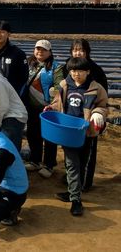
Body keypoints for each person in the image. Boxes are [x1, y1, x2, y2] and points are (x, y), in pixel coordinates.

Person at [47, 57, 108, 216]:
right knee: (72, 164)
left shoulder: (96, 88)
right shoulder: (64, 85)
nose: (76, 74)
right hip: (68, 132)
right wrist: (51, 107)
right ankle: (76, 200)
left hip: (86, 132)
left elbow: (103, 106)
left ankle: (72, 191)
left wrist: (98, 113)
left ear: (87, 71)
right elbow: (58, 102)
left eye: (80, 71)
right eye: (73, 71)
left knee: (81, 163)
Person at [63, 38, 108, 191]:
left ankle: (84, 183)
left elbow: (103, 99)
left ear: (87, 52)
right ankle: (73, 181)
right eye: (75, 50)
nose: (78, 53)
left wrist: (97, 113)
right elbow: (62, 94)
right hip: (70, 120)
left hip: (88, 121)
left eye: (81, 50)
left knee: (87, 153)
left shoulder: (96, 71)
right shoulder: (67, 67)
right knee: (70, 152)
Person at [23, 39, 64, 178]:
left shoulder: (56, 67)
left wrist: (53, 103)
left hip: (48, 109)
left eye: (43, 50)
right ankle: (35, 160)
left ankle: (49, 164)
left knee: (49, 137)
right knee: (33, 134)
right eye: (38, 49)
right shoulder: (28, 64)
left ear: (49, 52)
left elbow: (59, 86)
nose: (40, 52)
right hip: (31, 107)